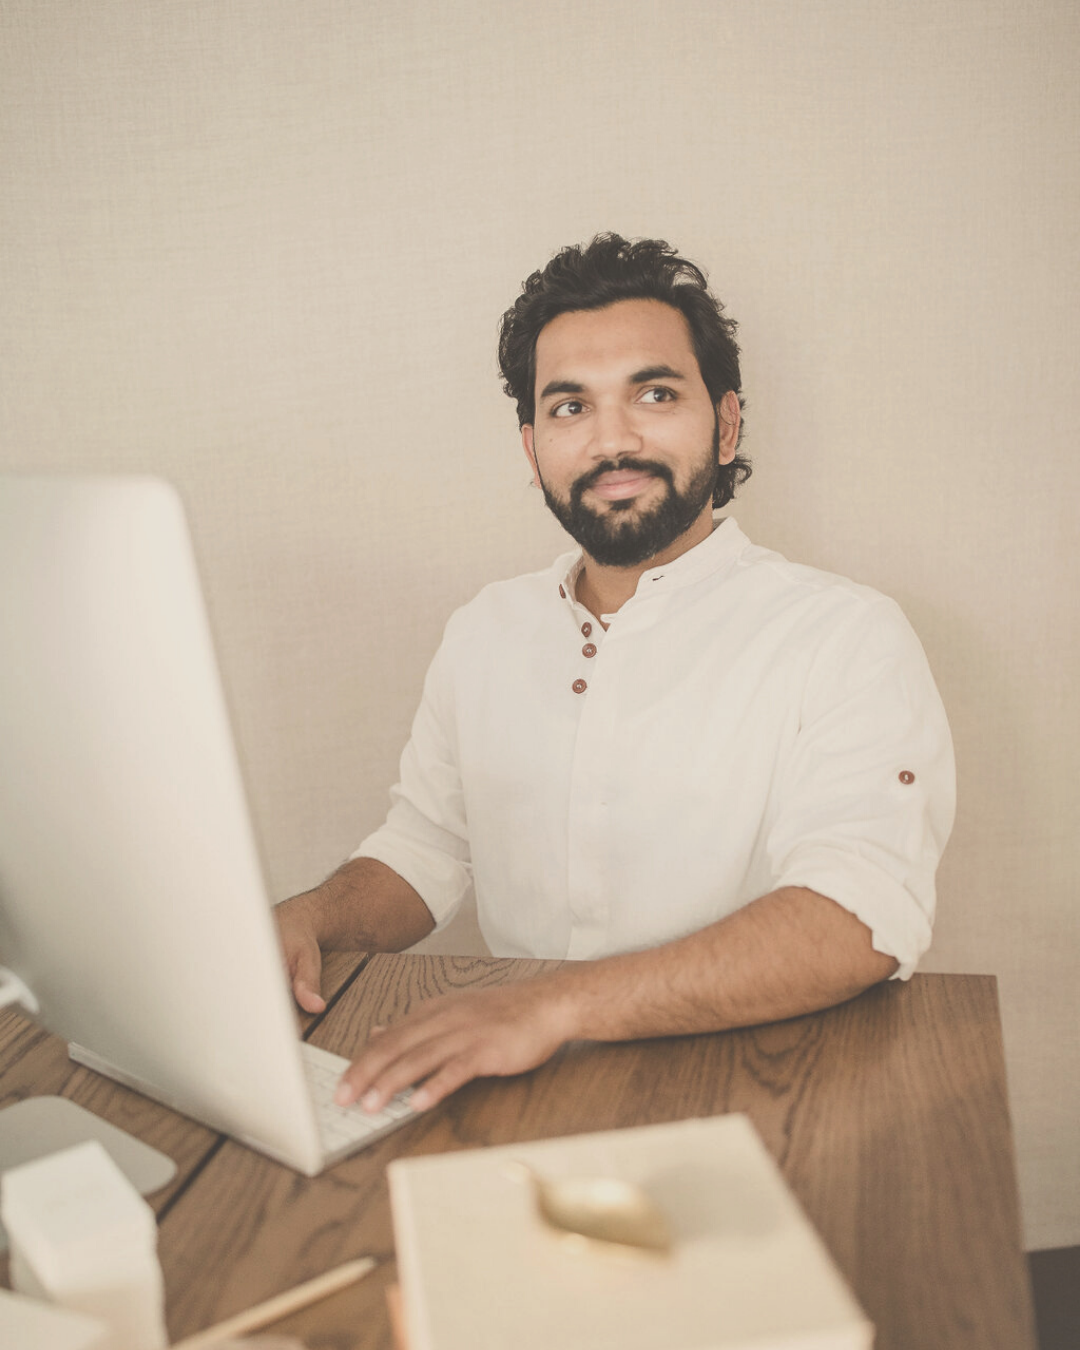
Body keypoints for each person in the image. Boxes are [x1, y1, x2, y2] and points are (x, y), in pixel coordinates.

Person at [275, 233, 955, 1117]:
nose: (613, 440)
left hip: (753, 1092)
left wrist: (553, 1007)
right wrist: (312, 918)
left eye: (655, 393)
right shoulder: (486, 628)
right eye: (570, 408)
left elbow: (857, 918)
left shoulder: (843, 634)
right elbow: (429, 847)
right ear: (532, 448)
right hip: (516, 1083)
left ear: (728, 420)